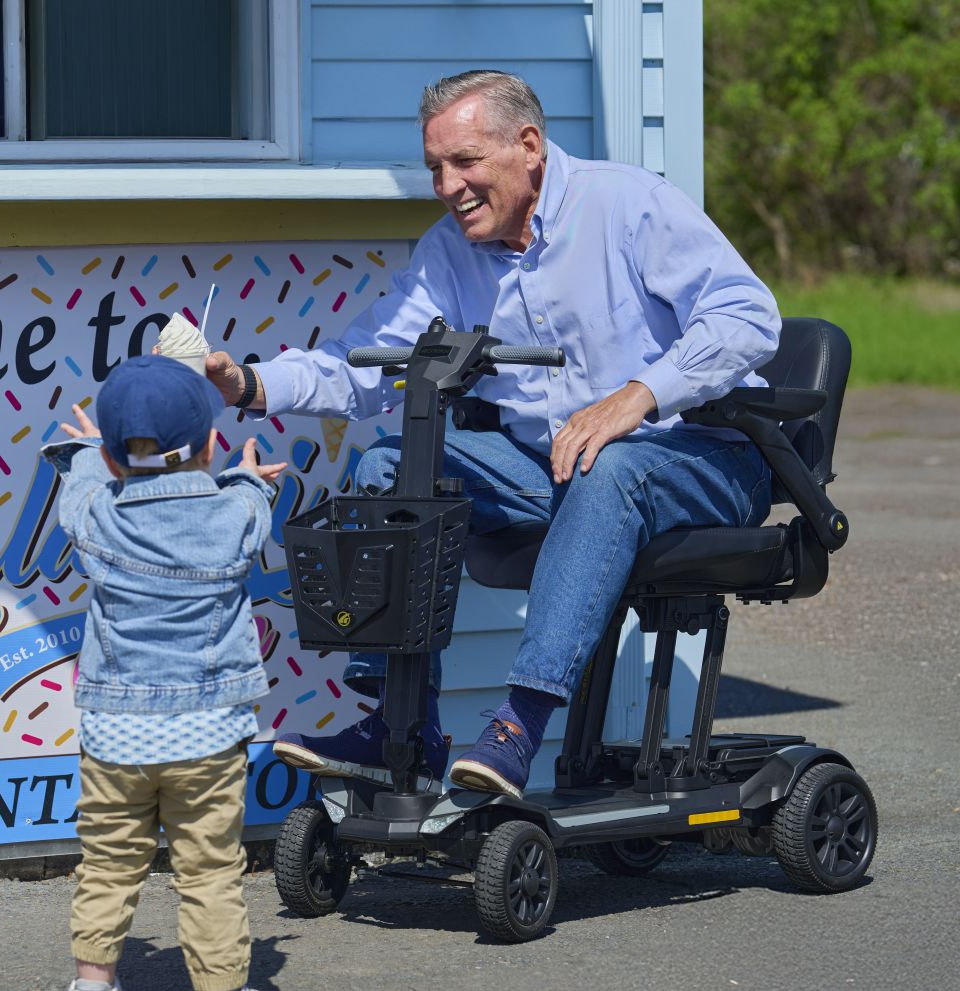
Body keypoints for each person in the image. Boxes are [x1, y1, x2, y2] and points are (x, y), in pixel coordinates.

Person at [207, 70, 779, 798]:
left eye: (466, 161)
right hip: (555, 466)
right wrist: (249, 385)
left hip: (706, 456)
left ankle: (519, 722)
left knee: (614, 464)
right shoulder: (449, 254)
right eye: (435, 168)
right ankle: (399, 724)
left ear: (529, 145)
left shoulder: (628, 203)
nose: (448, 185)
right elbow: (367, 366)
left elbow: (748, 317)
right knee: (391, 464)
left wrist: (640, 394)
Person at [43, 355, 286, 991]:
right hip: (208, 739)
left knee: (108, 866)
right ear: (210, 443)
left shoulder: (98, 517)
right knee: (209, 872)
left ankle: (92, 986)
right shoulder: (234, 516)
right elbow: (250, 502)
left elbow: (79, 482)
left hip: (117, 740)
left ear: (116, 462)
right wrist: (251, 479)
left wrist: (89, 450)